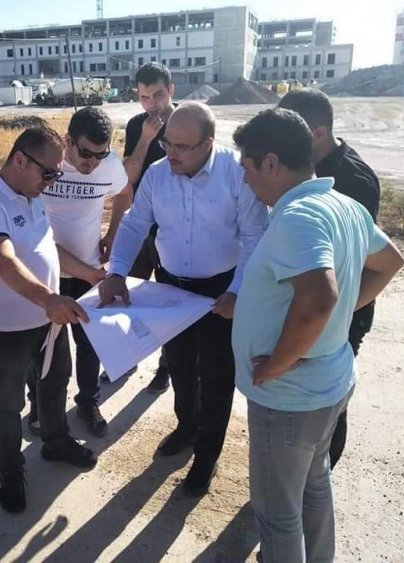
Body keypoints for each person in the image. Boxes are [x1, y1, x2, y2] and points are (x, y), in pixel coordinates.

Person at [231, 108, 404, 563]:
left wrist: (278, 363)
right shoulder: (343, 205)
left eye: (247, 167)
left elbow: (319, 297)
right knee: (313, 485)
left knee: (277, 513)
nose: (245, 180)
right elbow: (390, 262)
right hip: (327, 383)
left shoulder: (299, 216)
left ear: (271, 163)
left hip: (291, 397)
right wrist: (338, 315)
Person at [99, 102, 269, 497]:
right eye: (167, 143)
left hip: (221, 290)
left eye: (181, 146)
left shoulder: (236, 173)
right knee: (179, 364)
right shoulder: (158, 175)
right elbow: (136, 223)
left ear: (207, 143)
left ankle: (207, 455)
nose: (170, 153)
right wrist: (117, 271)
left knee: (216, 374)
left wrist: (237, 291)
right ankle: (186, 427)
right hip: (171, 287)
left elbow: (254, 236)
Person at [0, 125, 100, 515]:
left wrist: (91, 274)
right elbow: (4, 261)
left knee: (55, 382)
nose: (53, 180)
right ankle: (10, 468)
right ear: (20, 160)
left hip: (48, 320)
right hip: (9, 328)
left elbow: (47, 246)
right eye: (49, 172)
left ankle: (56, 442)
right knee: (8, 402)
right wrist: (49, 299)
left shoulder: (32, 194)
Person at [278, 88, 381, 469]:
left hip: (343, 311)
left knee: (329, 402)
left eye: (292, 133)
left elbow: (369, 259)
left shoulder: (354, 180)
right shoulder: (301, 165)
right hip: (309, 304)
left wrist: (339, 313)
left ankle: (317, 476)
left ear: (318, 133)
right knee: (300, 398)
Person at [39, 106, 131, 437]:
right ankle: (38, 406)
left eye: (100, 154)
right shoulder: (46, 163)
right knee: (43, 344)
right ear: (68, 140)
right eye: (85, 153)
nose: (92, 163)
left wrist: (112, 233)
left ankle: (88, 402)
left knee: (89, 342)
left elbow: (125, 192)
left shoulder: (110, 166)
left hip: (88, 270)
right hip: (44, 271)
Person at [122, 62, 176, 394]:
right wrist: (145, 138)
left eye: (157, 95)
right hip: (142, 225)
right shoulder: (135, 125)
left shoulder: (187, 122)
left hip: (175, 228)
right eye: (144, 97)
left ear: (171, 90)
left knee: (170, 297)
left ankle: (166, 367)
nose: (151, 104)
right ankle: (128, 355)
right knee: (132, 293)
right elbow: (129, 176)